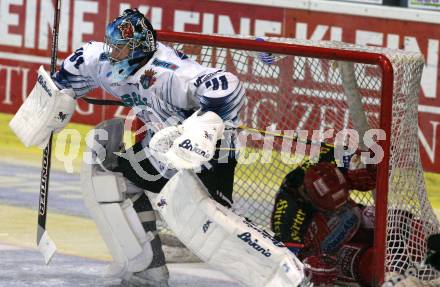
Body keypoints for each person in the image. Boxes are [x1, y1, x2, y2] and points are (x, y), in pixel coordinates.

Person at [12, 8, 307, 287]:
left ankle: (287, 275)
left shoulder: (171, 74)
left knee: (207, 225)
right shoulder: (99, 60)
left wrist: (201, 129)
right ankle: (146, 269)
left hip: (206, 155)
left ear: (139, 48)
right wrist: (53, 101)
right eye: (111, 46)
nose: (112, 54)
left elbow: (227, 84)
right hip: (161, 147)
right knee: (108, 180)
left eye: (121, 49)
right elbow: (66, 78)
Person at [271, 146, 377, 286]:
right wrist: (312, 266)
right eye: (330, 208)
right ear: (312, 201)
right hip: (329, 251)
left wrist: (370, 164)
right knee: (370, 266)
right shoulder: (287, 221)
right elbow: (288, 262)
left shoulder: (328, 161)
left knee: (396, 221)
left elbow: (358, 156)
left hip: (353, 215)